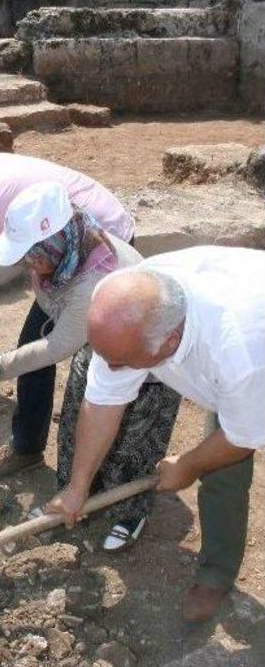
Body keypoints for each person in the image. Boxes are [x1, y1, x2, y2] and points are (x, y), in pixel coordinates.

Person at [0, 182, 180, 551]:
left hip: (146, 350)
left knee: (134, 435)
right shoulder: (58, 250)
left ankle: (129, 513)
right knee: (78, 422)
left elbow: (58, 345)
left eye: (33, 256)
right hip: (97, 343)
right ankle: (72, 500)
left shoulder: (97, 276)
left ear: (56, 241)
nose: (27, 264)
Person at [47, 246, 265, 621]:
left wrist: (191, 463)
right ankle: (216, 575)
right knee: (222, 465)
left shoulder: (239, 355)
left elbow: (241, 437)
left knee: (221, 462)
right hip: (231, 357)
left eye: (123, 362)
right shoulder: (124, 307)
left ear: (167, 343)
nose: (112, 369)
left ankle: (214, 576)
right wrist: (77, 486)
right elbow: (102, 402)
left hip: (251, 359)